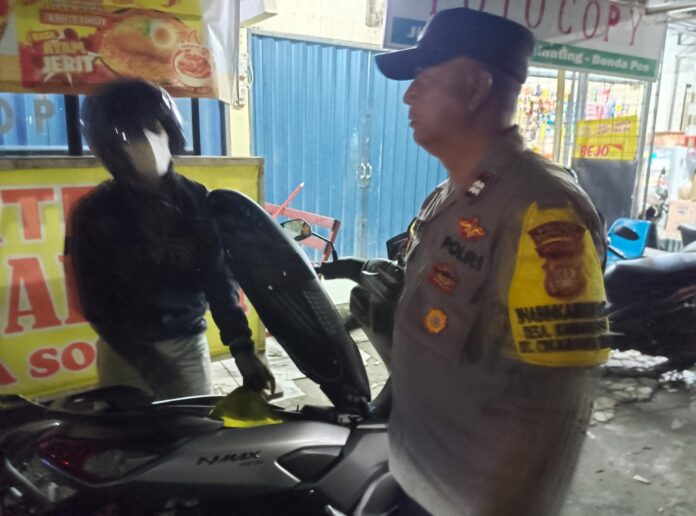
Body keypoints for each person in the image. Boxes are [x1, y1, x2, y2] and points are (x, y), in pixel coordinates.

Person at [375, 8, 609, 516]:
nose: (409, 96)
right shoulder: (450, 196)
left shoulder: (543, 210)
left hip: (471, 501)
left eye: (423, 78)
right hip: (416, 474)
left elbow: (555, 402)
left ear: (474, 87)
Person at [65, 79, 274, 400]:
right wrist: (145, 362)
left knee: (194, 428)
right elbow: (95, 303)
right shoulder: (93, 214)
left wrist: (243, 350)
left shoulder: (196, 201)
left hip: (186, 346)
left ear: (170, 131)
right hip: (123, 352)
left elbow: (219, 280)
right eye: (131, 135)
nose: (147, 143)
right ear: (110, 147)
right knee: (128, 431)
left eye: (153, 128)